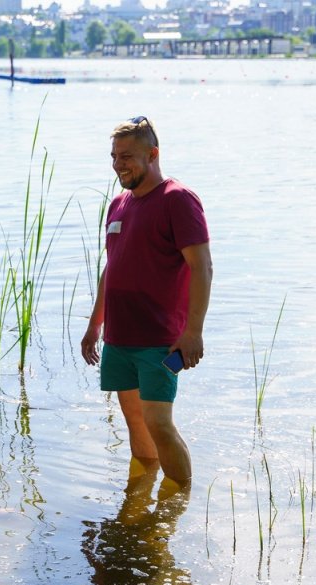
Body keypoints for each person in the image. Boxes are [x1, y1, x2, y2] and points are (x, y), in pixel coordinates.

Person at [80, 116, 213, 485]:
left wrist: (193, 332)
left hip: (160, 339)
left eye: (127, 156)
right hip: (120, 339)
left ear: (153, 154)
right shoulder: (118, 205)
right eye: (114, 156)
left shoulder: (177, 199)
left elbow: (202, 267)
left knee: (159, 423)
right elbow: (113, 268)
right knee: (136, 424)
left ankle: (178, 504)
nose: (118, 164)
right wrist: (95, 324)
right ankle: (139, 504)